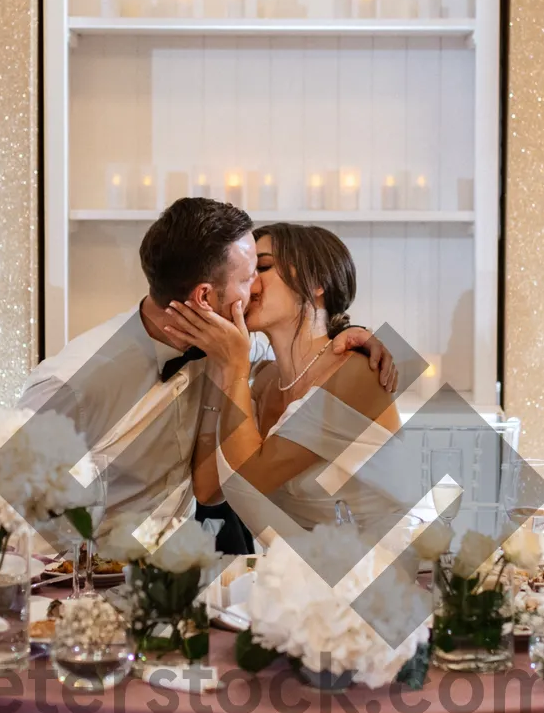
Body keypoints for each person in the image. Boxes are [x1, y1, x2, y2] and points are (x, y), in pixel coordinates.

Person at [20, 199, 396, 538]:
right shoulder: (72, 380)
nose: (255, 287)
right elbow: (4, 504)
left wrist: (350, 331)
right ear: (204, 297)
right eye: (251, 275)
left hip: (366, 570)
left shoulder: (270, 359)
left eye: (262, 269)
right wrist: (230, 365)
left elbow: (243, 482)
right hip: (94, 574)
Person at [165, 222, 418, 547]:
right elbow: (209, 489)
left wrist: (235, 367)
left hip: (382, 575)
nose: (247, 284)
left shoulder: (358, 371)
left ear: (315, 283)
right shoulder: (265, 381)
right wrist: (221, 366)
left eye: (263, 267)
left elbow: (250, 483)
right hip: (305, 579)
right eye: (244, 273)